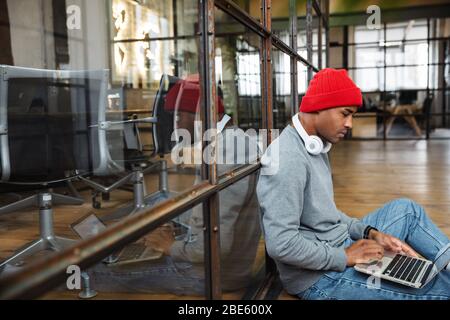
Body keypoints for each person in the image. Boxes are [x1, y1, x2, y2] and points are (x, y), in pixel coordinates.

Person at [256, 68, 450, 300]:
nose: (349, 124)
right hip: (321, 278)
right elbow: (281, 244)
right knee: (435, 289)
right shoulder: (286, 158)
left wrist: (370, 233)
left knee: (407, 210)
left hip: (340, 246)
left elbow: (325, 214)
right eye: (345, 114)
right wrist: (345, 257)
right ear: (319, 106)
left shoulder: (315, 145)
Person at [88, 74, 261, 296]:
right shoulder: (229, 140)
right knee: (158, 207)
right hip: (210, 264)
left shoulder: (226, 153)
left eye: (179, 116)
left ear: (200, 114)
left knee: (88, 273)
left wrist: (170, 246)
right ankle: (117, 242)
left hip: (208, 275)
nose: (175, 124)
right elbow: (209, 212)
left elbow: (218, 245)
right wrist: (164, 226)